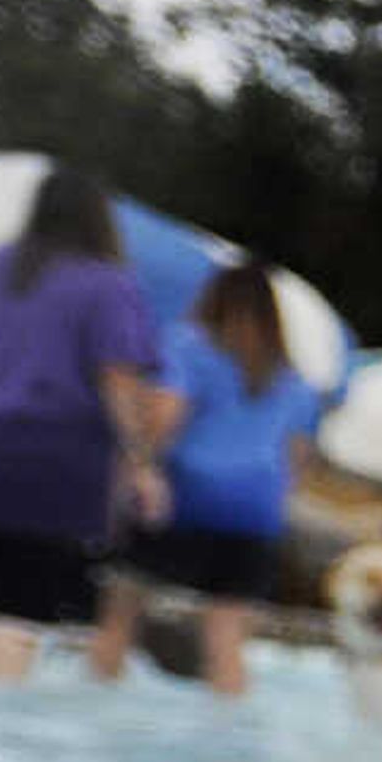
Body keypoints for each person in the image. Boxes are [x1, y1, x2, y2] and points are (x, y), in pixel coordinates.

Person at [0, 167, 160, 681]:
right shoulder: (108, 285)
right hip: (54, 467)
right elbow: (118, 381)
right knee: (16, 619)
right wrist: (141, 464)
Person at [87, 261, 320, 698]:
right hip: (256, 513)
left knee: (120, 613)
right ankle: (226, 746)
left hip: (184, 499)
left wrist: (141, 465)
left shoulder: (188, 346)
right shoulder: (295, 379)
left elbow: (165, 417)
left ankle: (90, 710)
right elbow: (297, 459)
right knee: (226, 640)